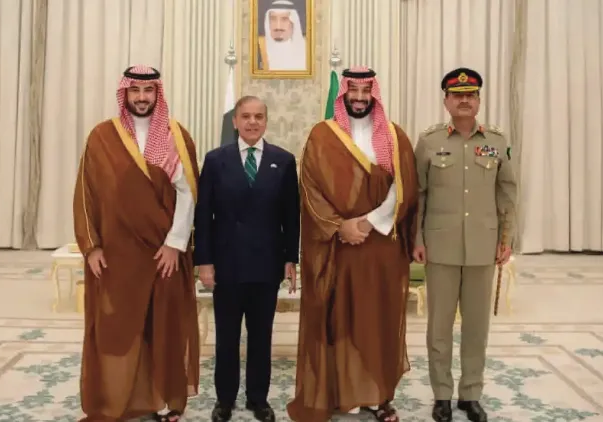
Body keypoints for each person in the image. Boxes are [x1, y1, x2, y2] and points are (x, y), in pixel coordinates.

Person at [287, 67, 419, 422]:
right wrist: (340, 226)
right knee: (339, 319)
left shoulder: (395, 136)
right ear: (343, 93)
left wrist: (369, 222)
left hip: (380, 245)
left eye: (366, 91)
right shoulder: (322, 135)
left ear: (374, 94)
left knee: (377, 319)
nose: (360, 98)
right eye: (353, 90)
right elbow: (310, 188)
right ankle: (342, 393)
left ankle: (378, 395)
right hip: (338, 246)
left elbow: (404, 186)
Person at [72, 65, 200, 422]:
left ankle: (164, 400)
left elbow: (189, 194)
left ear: (158, 94)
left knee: (164, 327)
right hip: (117, 255)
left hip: (163, 255)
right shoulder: (102, 137)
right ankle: (116, 401)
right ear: (124, 93)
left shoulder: (176, 136)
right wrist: (92, 246)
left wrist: (175, 243)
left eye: (148, 91)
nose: (142, 98)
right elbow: (86, 194)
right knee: (117, 329)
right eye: (135, 91)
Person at [412, 67, 517, 422]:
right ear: (446, 101)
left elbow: (507, 193)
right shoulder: (429, 141)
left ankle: (470, 394)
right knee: (439, 328)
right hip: (440, 246)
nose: (464, 101)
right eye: (457, 96)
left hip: (483, 246)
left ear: (479, 101)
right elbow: (418, 195)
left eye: (470, 95)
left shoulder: (497, 141)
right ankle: (442, 394)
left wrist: (506, 239)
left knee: (476, 328)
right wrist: (417, 238)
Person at [194, 95, 300, 422]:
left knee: (261, 337)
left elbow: (291, 215)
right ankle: (224, 400)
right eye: (246, 116)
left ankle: (258, 399)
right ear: (235, 121)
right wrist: (204, 261)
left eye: (258, 116)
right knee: (226, 338)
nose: (252, 122)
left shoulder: (283, 161)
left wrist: (290, 259)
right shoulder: (216, 160)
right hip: (226, 266)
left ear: (266, 120)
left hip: (266, 266)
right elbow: (204, 214)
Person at [257, 0, 307, 71]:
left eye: (284, 19)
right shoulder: (259, 46)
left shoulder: (308, 48)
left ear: (293, 22)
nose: (278, 26)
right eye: (273, 19)